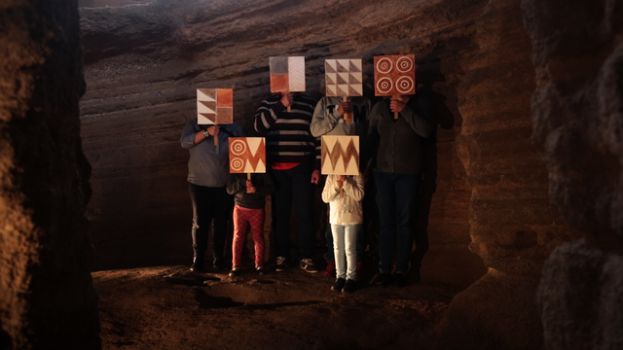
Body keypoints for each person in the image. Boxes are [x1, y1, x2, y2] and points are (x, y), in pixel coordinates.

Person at [368, 93, 431, 286]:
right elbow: (371, 139)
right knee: (385, 221)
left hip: (408, 173)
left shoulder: (420, 104)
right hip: (382, 173)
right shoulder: (379, 108)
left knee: (404, 221)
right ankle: (384, 269)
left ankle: (401, 269)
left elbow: (426, 131)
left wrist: (405, 110)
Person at [253, 92, 320, 273]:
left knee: (305, 213)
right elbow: (258, 127)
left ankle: (306, 256)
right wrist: (280, 105)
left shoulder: (309, 103)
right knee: (280, 214)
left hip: (302, 167)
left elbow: (318, 136)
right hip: (276, 168)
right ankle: (281, 255)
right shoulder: (268, 102)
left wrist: (317, 166)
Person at [310, 96, 370, 278]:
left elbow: (367, 131)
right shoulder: (324, 102)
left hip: (354, 161)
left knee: (354, 214)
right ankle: (334, 263)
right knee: (333, 215)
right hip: (333, 160)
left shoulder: (361, 101)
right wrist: (336, 113)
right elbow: (315, 130)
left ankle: (355, 264)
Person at [180, 120, 241, 272]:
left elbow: (243, 149)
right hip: (198, 184)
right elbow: (185, 142)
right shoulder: (193, 124)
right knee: (200, 222)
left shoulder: (233, 127)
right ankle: (198, 259)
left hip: (223, 185)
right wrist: (207, 132)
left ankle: (218, 259)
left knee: (221, 223)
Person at [322, 174, 364, 293]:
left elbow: (359, 195)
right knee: (338, 248)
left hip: (352, 218)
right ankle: (340, 276)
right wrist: (336, 185)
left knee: (350, 248)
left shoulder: (357, 175)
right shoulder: (331, 176)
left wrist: (345, 182)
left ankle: (351, 278)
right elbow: (325, 197)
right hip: (336, 218)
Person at [226, 172, 272, 276]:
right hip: (239, 208)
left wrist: (256, 189)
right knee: (238, 236)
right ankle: (235, 266)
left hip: (257, 209)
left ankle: (259, 265)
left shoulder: (261, 167)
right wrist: (242, 183)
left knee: (257, 237)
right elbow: (229, 189)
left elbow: (271, 188)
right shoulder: (236, 166)